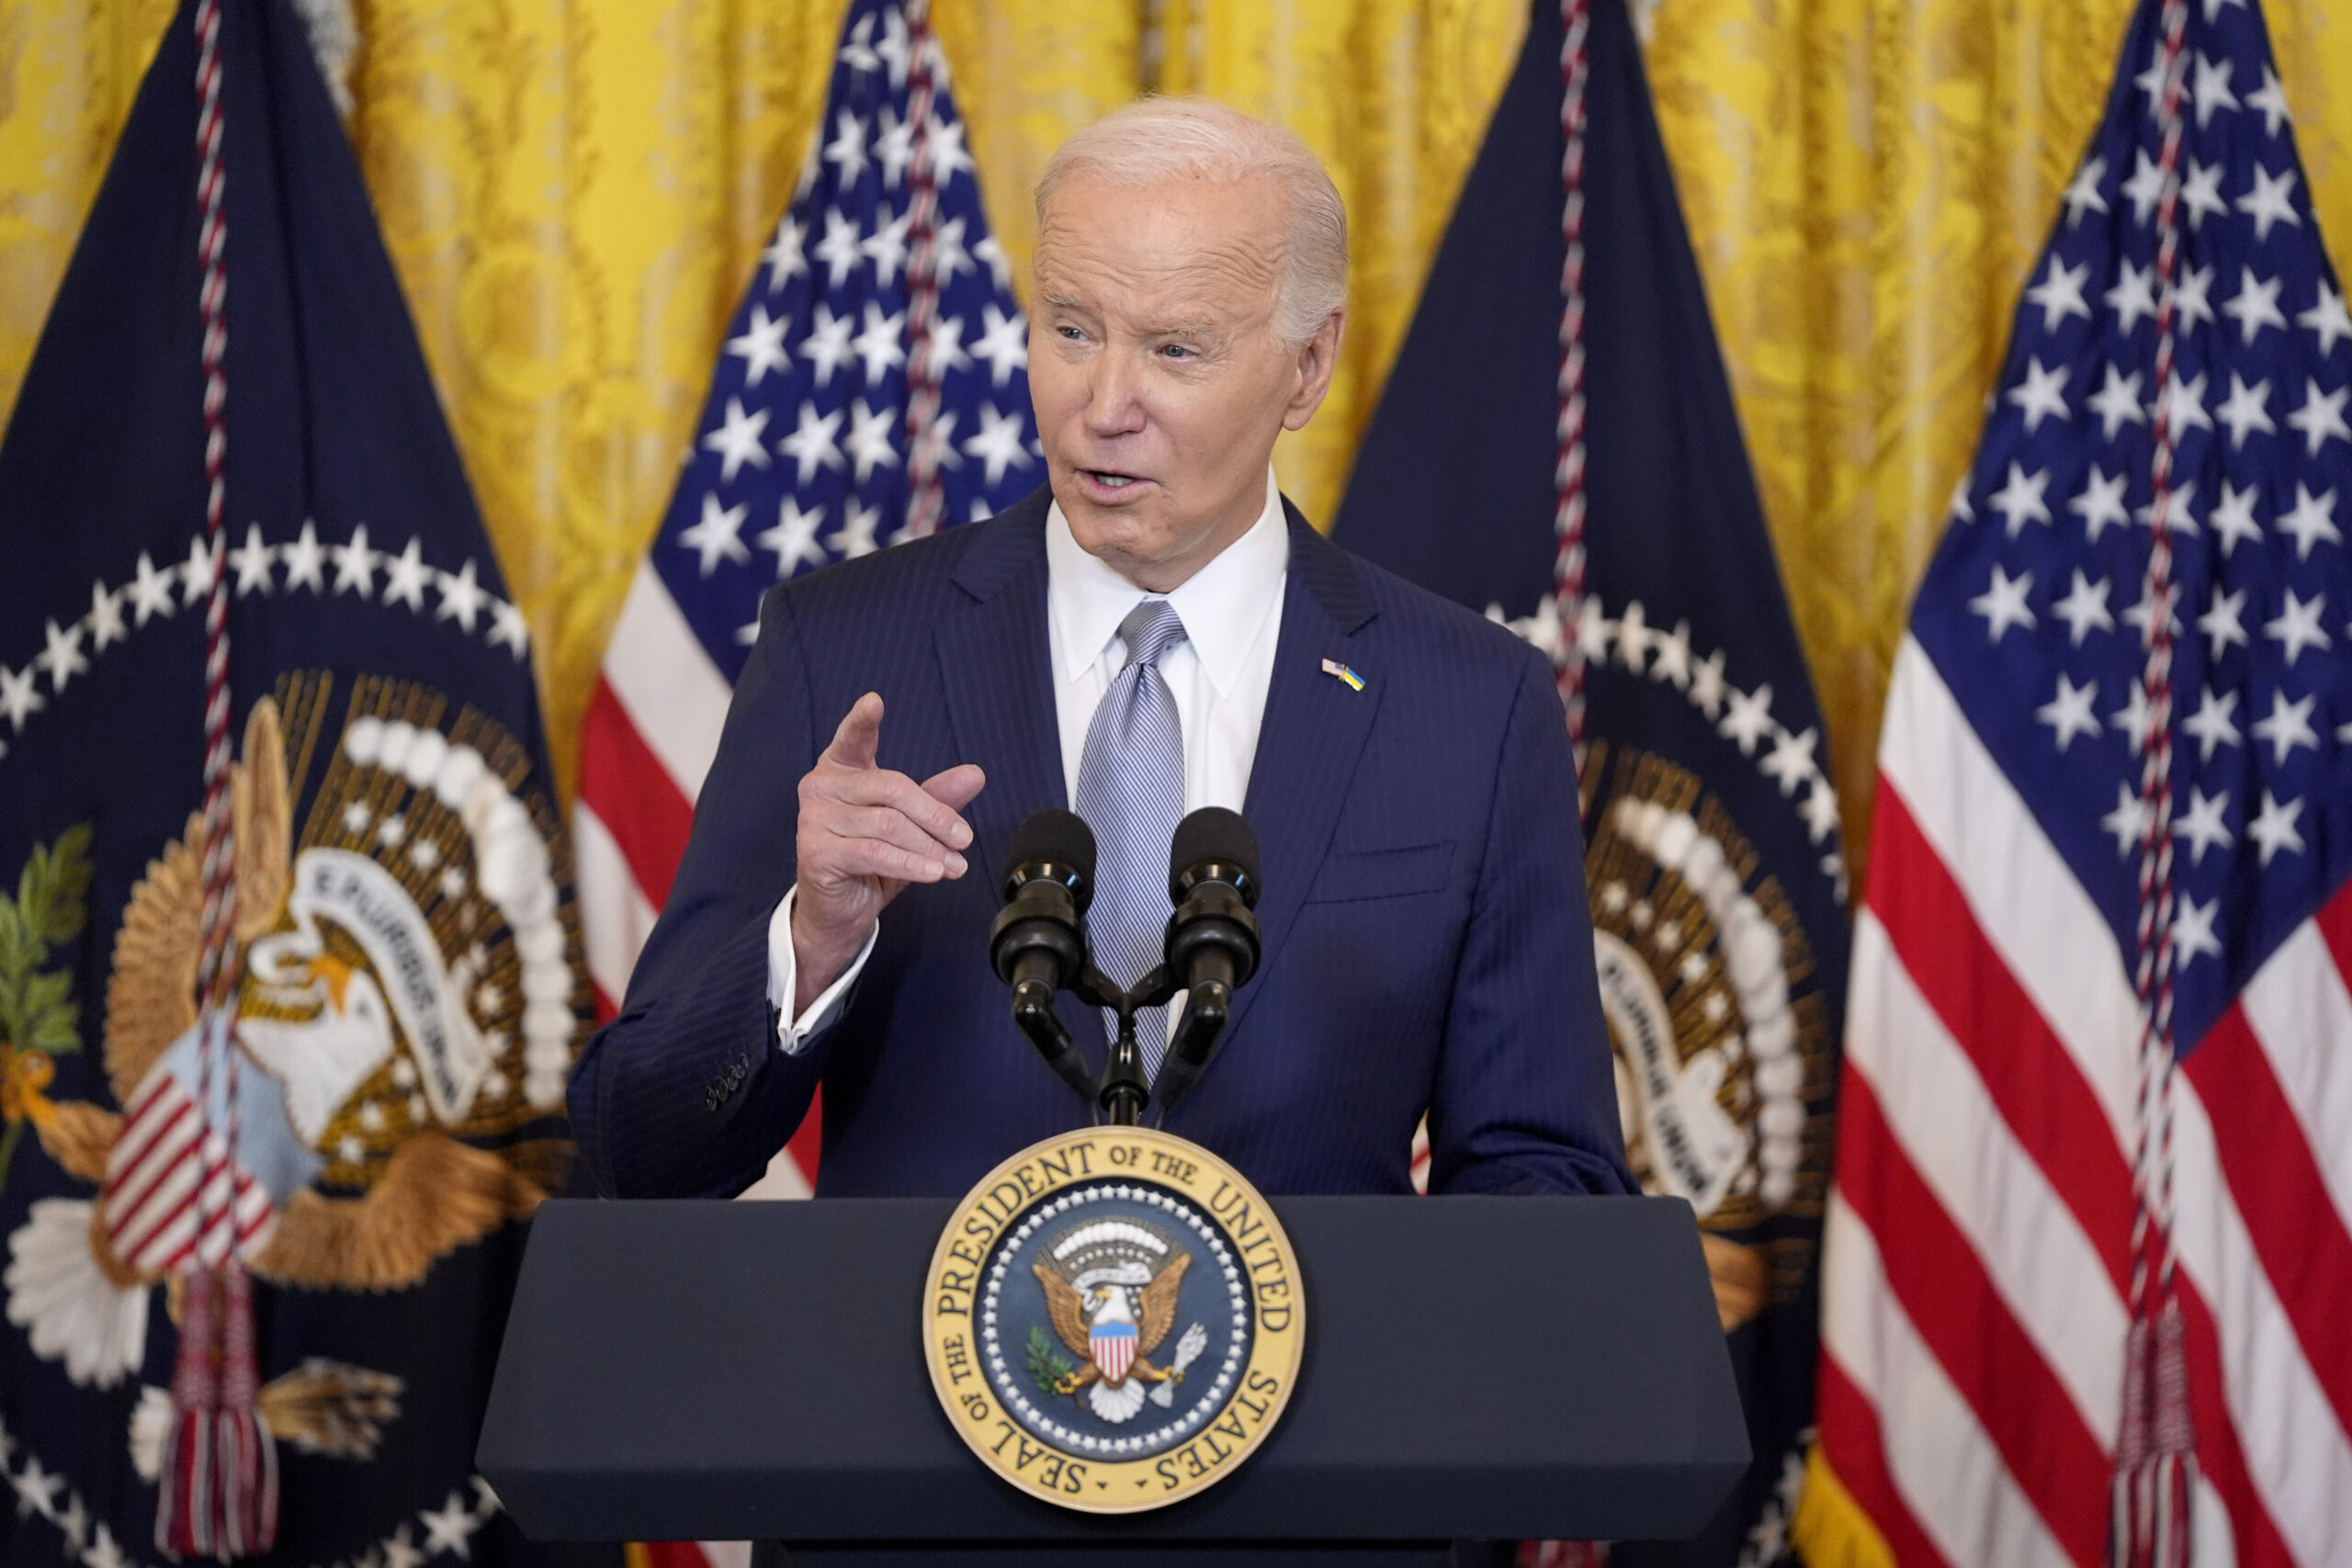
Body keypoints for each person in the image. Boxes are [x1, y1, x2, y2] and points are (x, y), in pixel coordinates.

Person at [570, 98, 1630, 1201]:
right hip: (915, 1372)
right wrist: (811, 943)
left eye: (1174, 349)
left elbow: (1542, 1177)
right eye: (1070, 330)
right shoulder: (840, 653)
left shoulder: (1469, 706)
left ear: (1308, 368)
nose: (1102, 405)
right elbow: (638, 1152)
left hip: (1323, 1370)